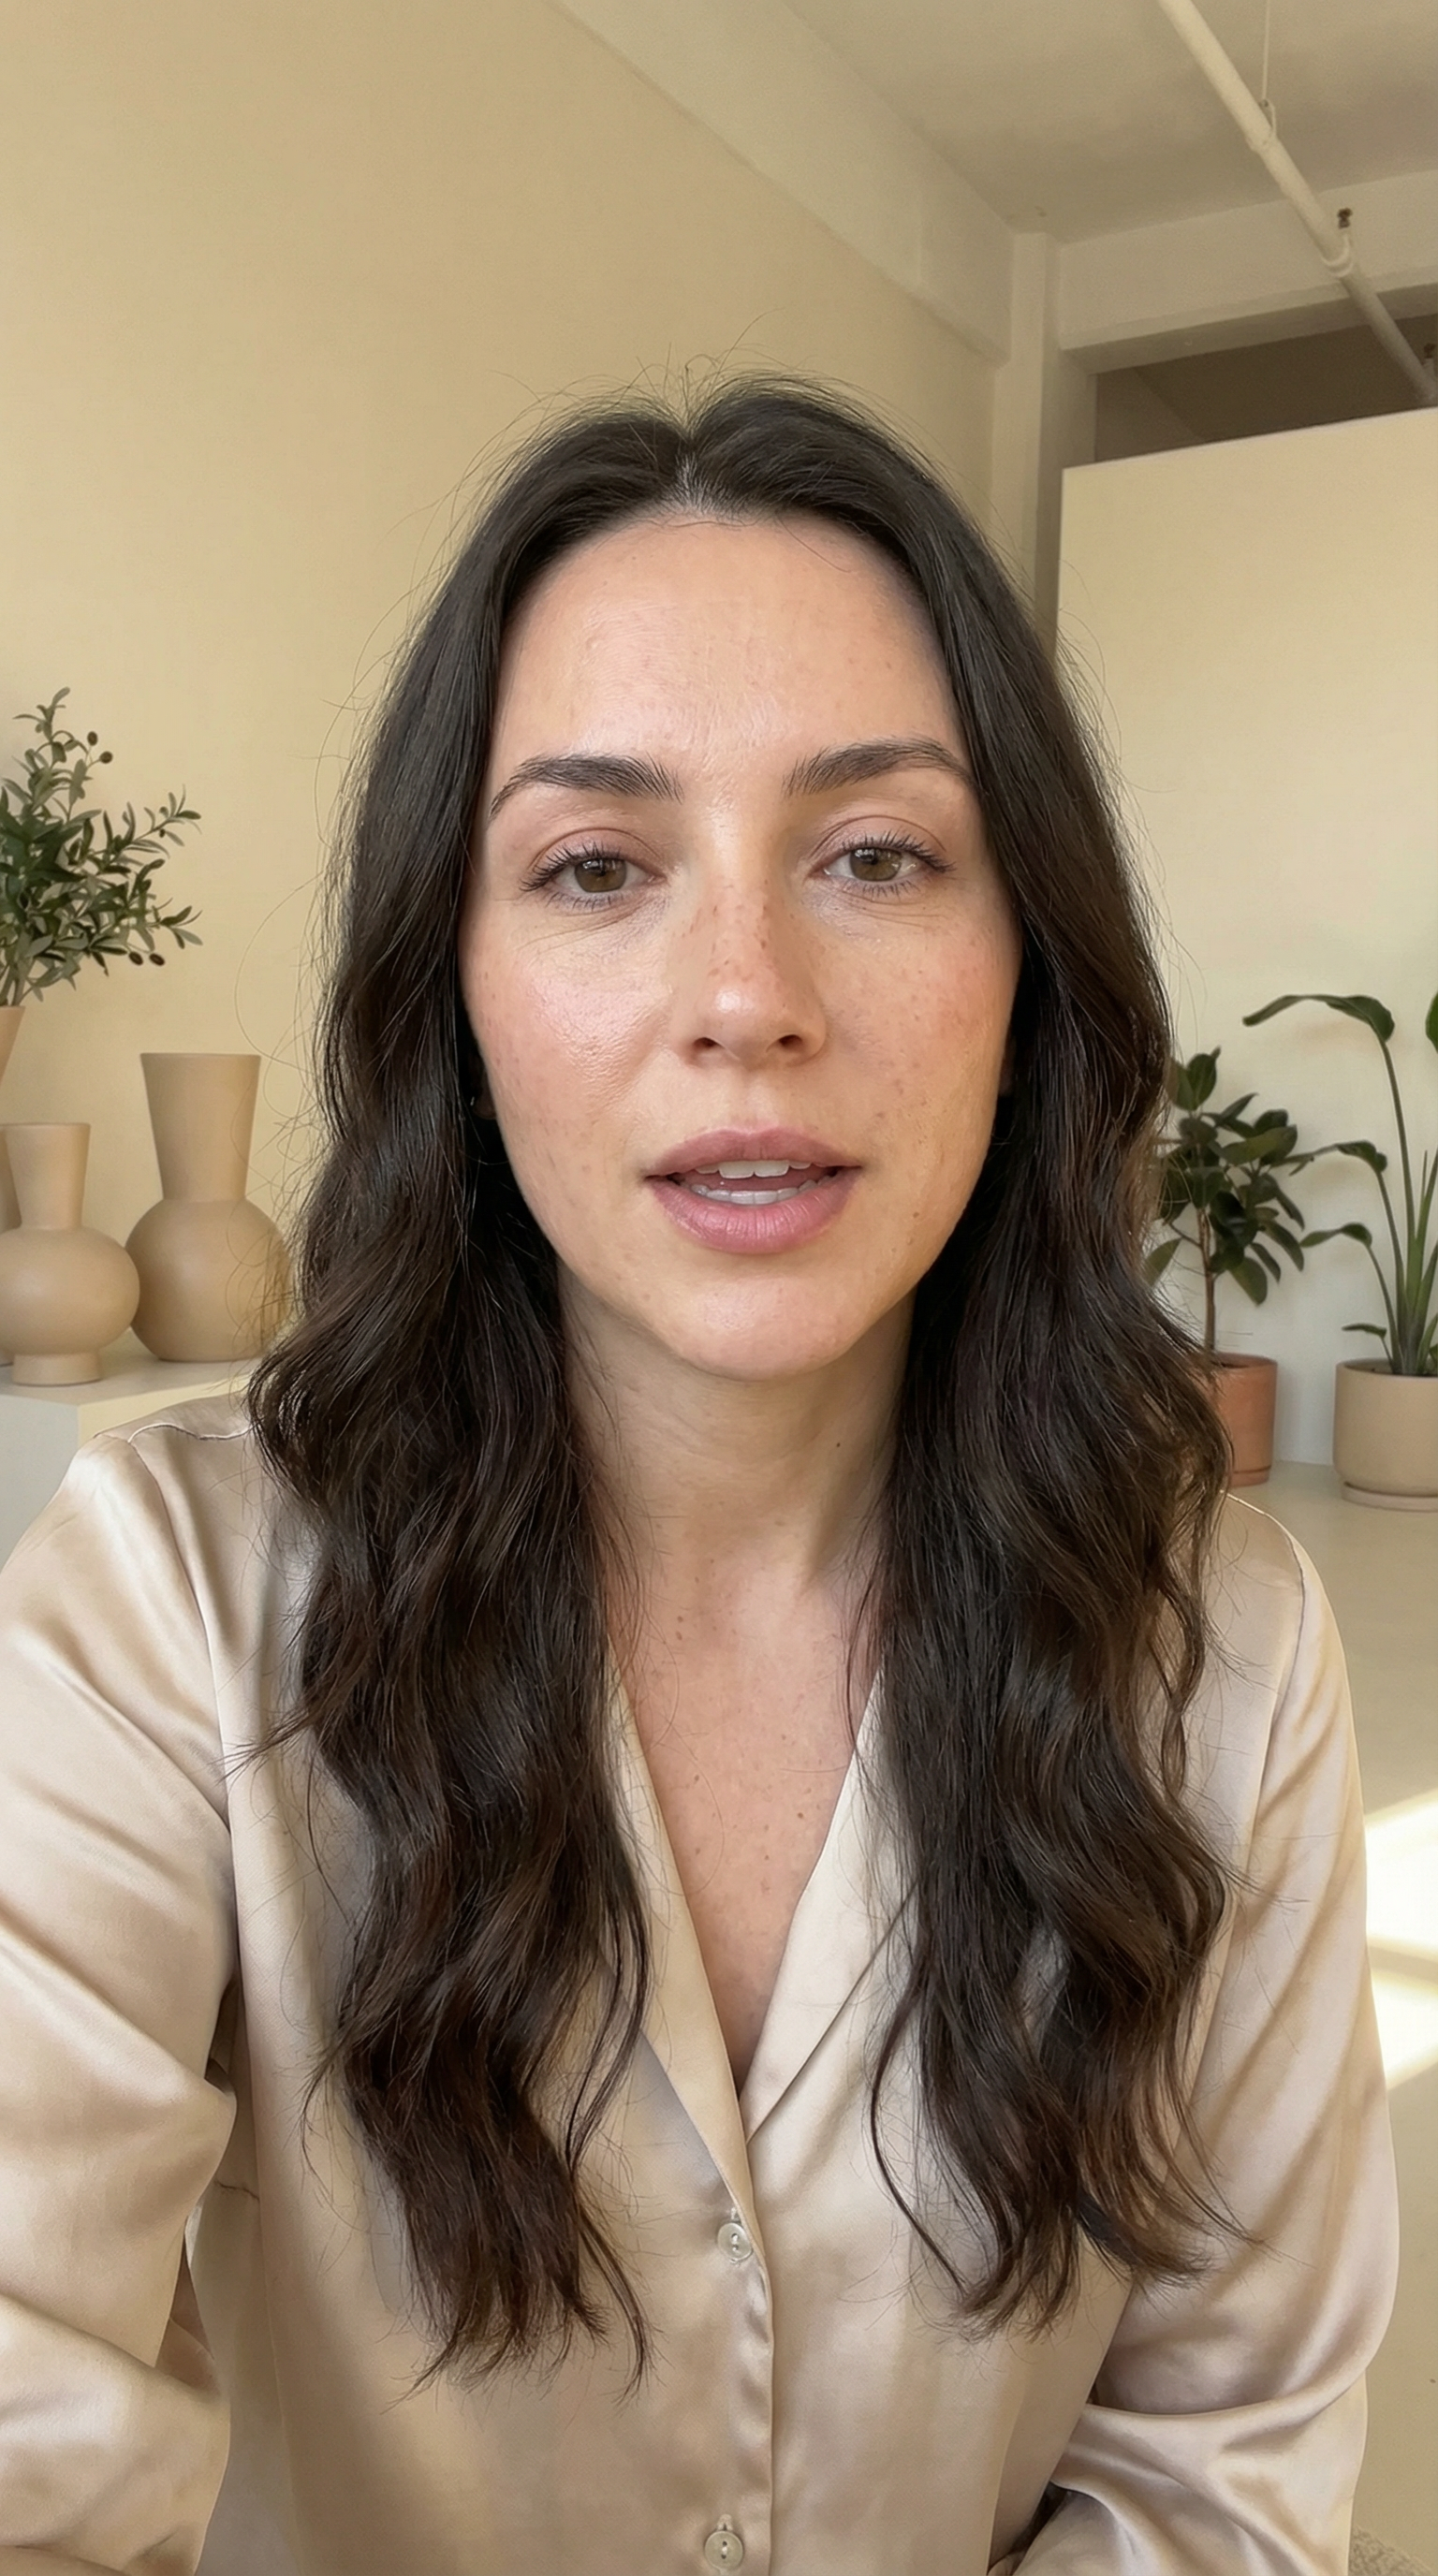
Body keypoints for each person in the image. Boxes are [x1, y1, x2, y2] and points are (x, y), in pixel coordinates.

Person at [0, 379, 1397, 2576]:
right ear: (452, 991)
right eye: (594, 867)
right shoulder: (161, 1608)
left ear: (1028, 970)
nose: (746, 993)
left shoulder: (1220, 1653)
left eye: (875, 853)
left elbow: (1219, 2474)